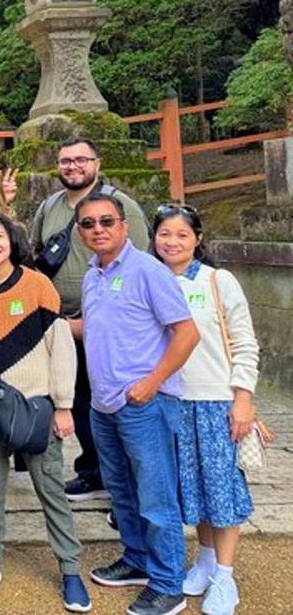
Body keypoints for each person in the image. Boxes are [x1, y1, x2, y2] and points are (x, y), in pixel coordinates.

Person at [0, 211, 90, 611]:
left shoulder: (39, 285)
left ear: (12, 240)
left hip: (36, 403)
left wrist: (63, 404)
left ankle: (70, 567)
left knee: (50, 489)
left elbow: (61, 346)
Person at [77, 190, 200, 615]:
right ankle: (136, 560)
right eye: (89, 224)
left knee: (156, 494)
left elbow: (187, 334)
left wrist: (152, 382)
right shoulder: (93, 275)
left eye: (106, 221)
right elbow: (93, 328)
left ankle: (169, 584)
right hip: (104, 404)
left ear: (124, 225)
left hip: (144, 403)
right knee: (122, 492)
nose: (98, 230)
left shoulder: (148, 270)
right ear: (80, 231)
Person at [28, 137, 150, 503]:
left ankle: (125, 482)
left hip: (108, 320)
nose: (73, 167)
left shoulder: (118, 204)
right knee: (77, 396)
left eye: (81, 160)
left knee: (113, 398)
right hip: (60, 320)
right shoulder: (50, 206)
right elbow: (36, 251)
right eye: (66, 161)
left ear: (97, 163)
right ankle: (92, 468)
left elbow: (141, 256)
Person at [152, 204, 258, 615]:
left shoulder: (218, 280)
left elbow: (245, 341)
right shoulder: (152, 280)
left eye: (182, 235)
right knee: (191, 487)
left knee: (222, 488)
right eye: (165, 234)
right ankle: (205, 559)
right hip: (172, 399)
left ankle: (226, 577)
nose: (173, 242)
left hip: (215, 401)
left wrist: (243, 397)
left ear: (197, 239)